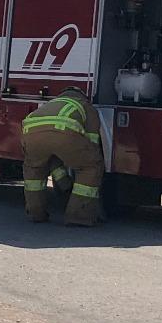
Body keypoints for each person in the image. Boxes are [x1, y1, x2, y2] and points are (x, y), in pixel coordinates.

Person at [21, 92, 103, 226]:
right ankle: (78, 217)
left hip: (30, 134)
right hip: (63, 135)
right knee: (90, 167)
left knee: (34, 172)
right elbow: (92, 142)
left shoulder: (51, 103)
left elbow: (52, 154)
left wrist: (64, 182)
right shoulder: (87, 107)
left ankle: (36, 213)